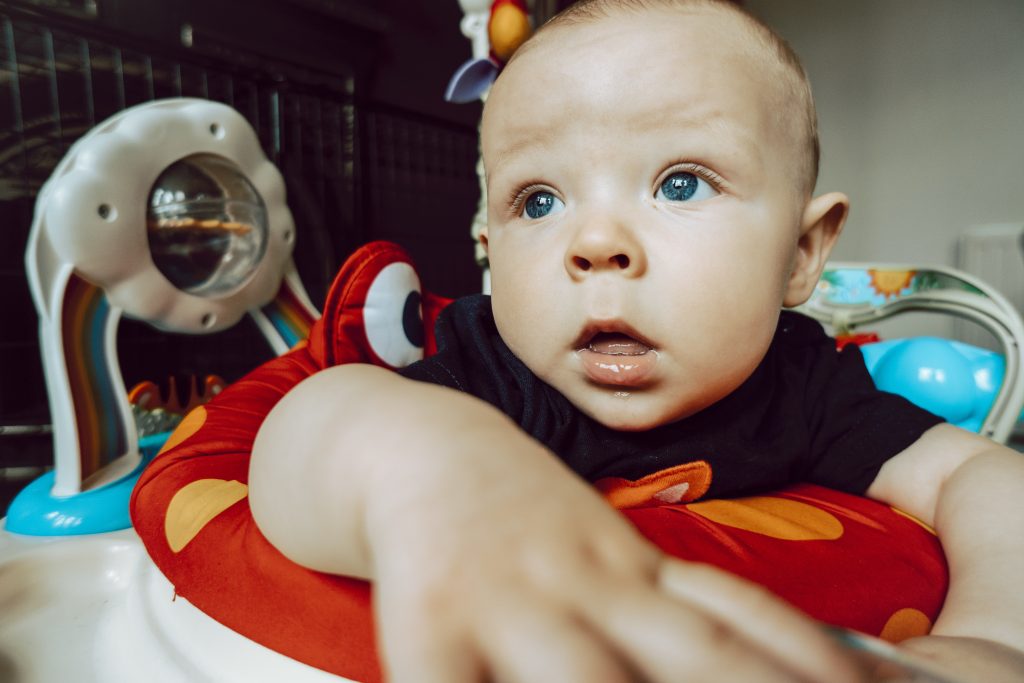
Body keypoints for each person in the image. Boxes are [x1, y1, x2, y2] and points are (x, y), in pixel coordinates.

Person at [249, 1, 1024, 680]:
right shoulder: (495, 371)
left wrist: (993, 641)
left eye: (680, 183)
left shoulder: (803, 384)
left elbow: (979, 477)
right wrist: (436, 483)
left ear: (800, 253)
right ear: (490, 240)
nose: (594, 242)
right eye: (540, 199)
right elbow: (308, 424)